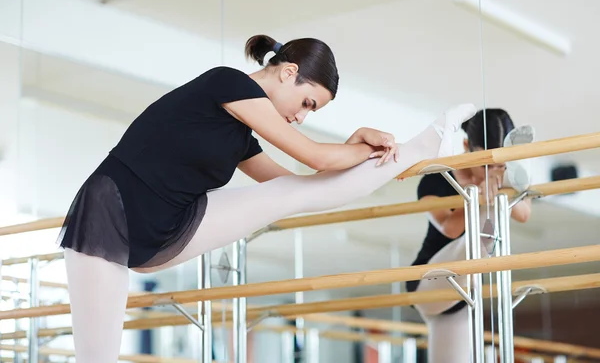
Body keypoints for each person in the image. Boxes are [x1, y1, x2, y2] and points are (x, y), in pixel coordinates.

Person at [57, 33, 477, 362]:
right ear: (288, 71)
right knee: (97, 357)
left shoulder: (240, 134)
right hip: (110, 215)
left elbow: (301, 182)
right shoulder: (228, 82)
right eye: (307, 102)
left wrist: (357, 146)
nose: (301, 115)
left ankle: (429, 143)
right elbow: (315, 155)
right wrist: (366, 145)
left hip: (170, 222)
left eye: (312, 113)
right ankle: (425, 144)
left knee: (292, 195)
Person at [405, 108, 534, 363]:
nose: (493, 170)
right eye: (486, 163)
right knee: (489, 215)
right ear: (466, 146)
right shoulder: (436, 178)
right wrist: (476, 195)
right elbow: (449, 228)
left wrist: (502, 187)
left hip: (464, 293)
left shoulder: (503, 180)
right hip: (430, 280)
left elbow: (524, 213)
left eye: (500, 164)